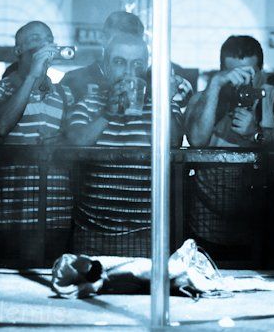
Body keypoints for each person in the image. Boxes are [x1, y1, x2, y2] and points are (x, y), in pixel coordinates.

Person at [184, 35, 274, 261]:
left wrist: (257, 133)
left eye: (249, 73)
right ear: (222, 70)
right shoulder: (205, 98)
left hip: (262, 229)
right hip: (208, 228)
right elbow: (196, 139)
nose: (241, 82)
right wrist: (216, 85)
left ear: (260, 71)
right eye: (233, 74)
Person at [64, 32, 184, 257]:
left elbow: (174, 143)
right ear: (106, 67)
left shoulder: (161, 106)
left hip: (145, 234)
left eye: (137, 64)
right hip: (91, 233)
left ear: (146, 68)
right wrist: (106, 114)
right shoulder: (88, 104)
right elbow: (76, 144)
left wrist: (164, 101)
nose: (129, 72)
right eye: (119, 62)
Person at [0, 21, 75, 258]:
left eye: (48, 39)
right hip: (14, 213)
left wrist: (62, 139)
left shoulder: (65, 94)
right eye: (35, 39)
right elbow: (0, 125)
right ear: (18, 50)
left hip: (58, 214)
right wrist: (32, 75)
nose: (44, 44)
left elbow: (74, 140)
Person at [62, 11, 146, 104]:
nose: (127, 44)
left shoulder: (150, 84)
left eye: (134, 40)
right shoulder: (73, 81)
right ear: (103, 39)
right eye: (118, 39)